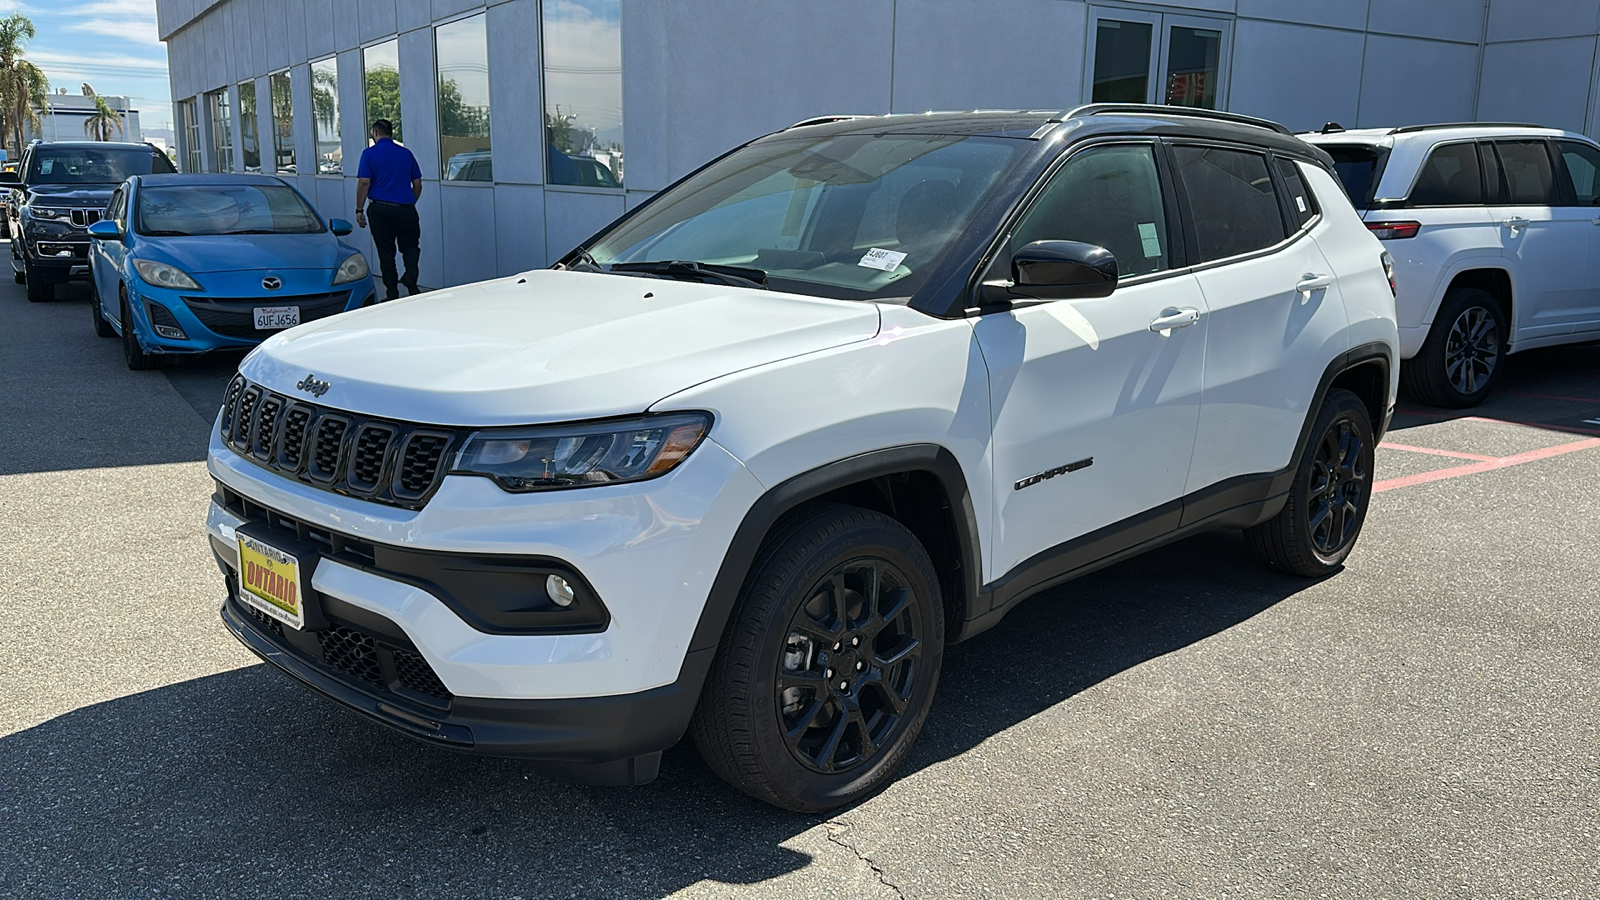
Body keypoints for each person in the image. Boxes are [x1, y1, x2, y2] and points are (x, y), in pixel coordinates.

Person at [354, 119, 422, 301]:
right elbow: (417, 183)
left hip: (380, 209)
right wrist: (410, 202)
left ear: (375, 133)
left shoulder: (369, 154)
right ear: (390, 133)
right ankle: (411, 280)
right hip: (406, 209)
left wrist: (359, 209)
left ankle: (392, 292)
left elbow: (364, 182)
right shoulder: (406, 154)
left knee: (386, 252)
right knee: (411, 246)